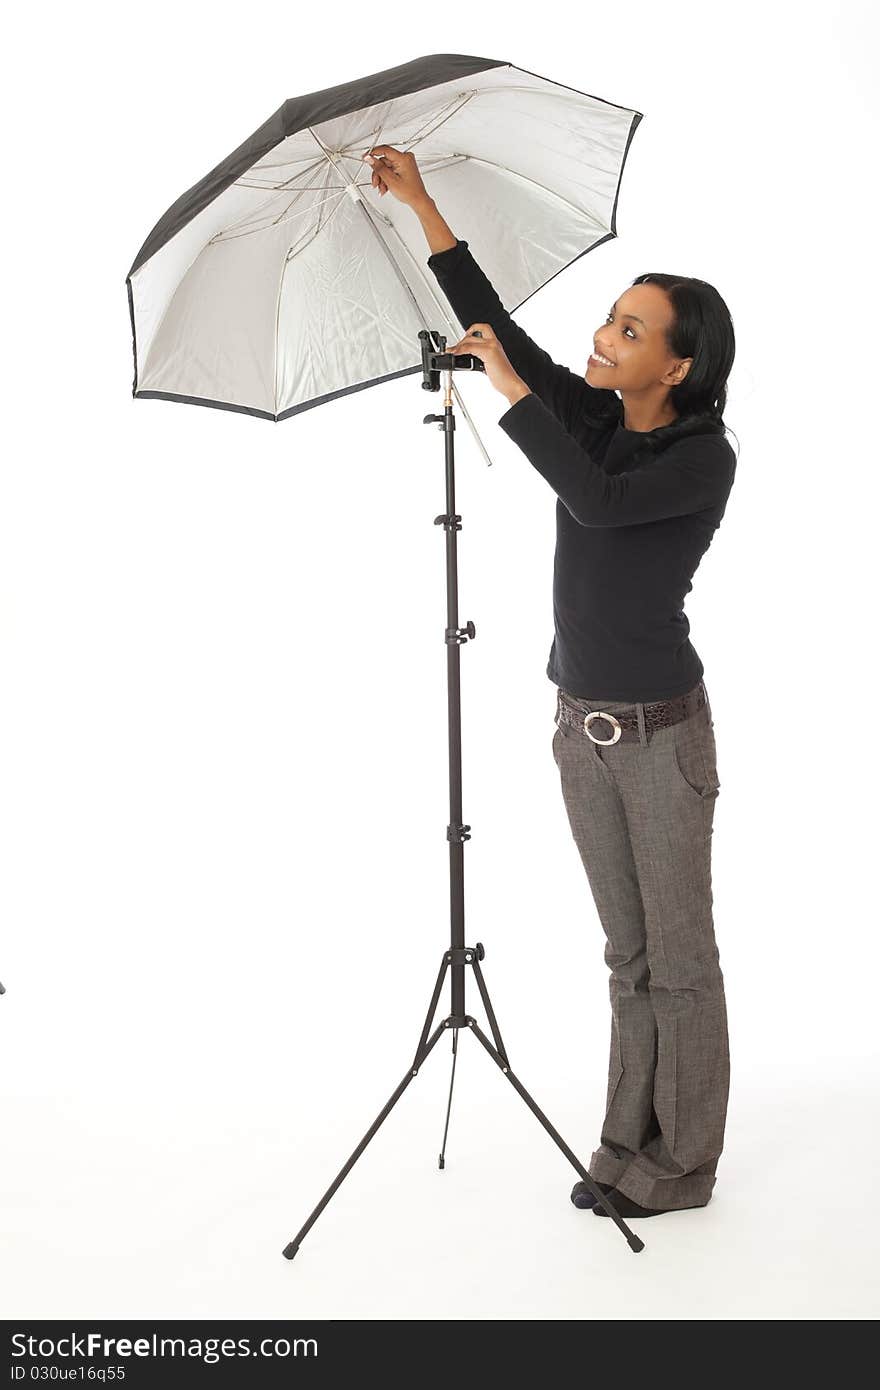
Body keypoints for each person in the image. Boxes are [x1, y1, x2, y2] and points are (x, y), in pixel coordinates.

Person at [362, 146, 738, 1220]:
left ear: (675, 367)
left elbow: (596, 502)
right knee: (626, 954)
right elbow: (499, 327)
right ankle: (627, 1145)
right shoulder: (592, 414)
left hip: (663, 737)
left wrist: (516, 385)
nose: (603, 336)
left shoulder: (698, 459)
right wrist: (420, 204)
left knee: (680, 959)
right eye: (611, 317)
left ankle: (685, 1165)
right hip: (579, 726)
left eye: (629, 331)